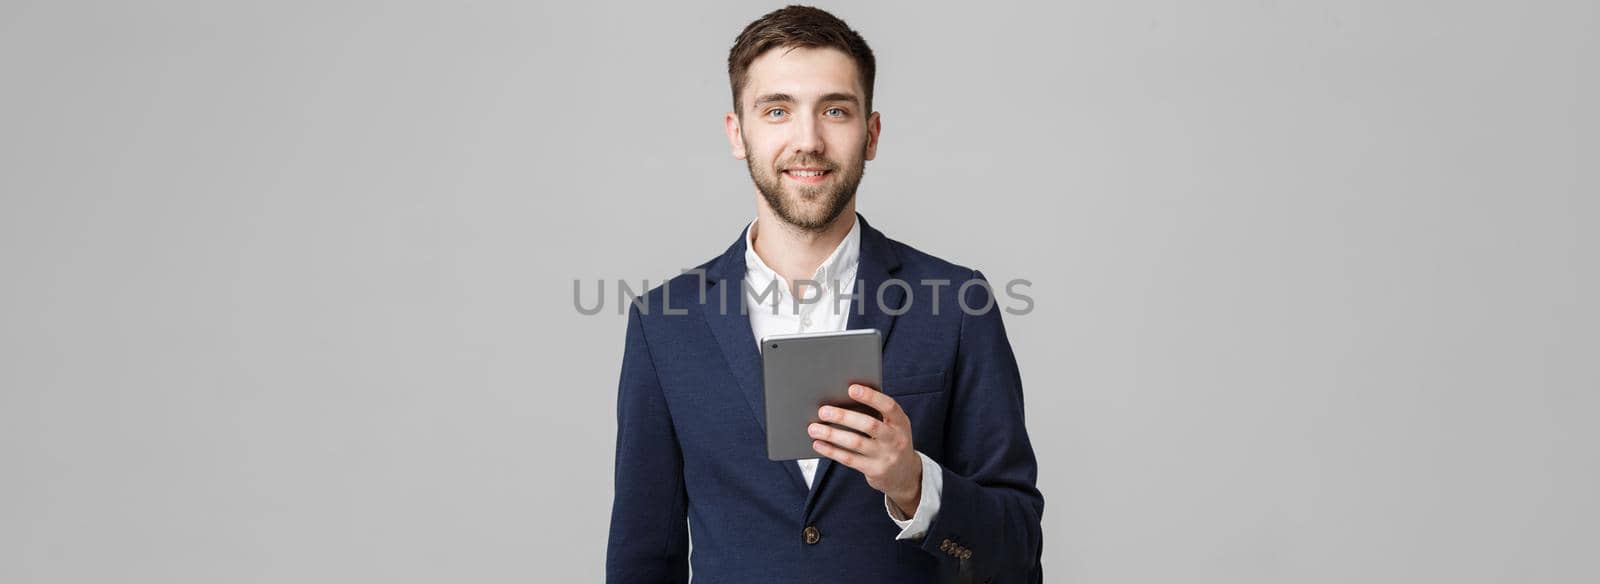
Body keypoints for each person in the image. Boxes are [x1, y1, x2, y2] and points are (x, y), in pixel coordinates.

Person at [605, 6, 1043, 583]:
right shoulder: (664, 323)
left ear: (871, 134)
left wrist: (914, 484)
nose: (807, 140)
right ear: (739, 133)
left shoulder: (959, 303)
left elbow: (1018, 553)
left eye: (835, 110)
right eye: (777, 110)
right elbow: (641, 559)